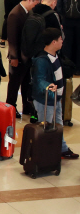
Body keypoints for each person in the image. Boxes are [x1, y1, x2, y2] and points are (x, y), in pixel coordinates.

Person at [32, 28, 78, 159]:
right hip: (46, 100)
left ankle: (62, 149)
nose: (62, 41)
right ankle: (43, 155)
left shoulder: (56, 55)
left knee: (58, 125)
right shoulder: (42, 60)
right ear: (53, 42)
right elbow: (39, 79)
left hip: (56, 99)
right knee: (45, 127)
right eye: (60, 39)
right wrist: (48, 86)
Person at [57, 0, 80, 75]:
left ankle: (67, 67)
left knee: (67, 43)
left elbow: (59, 3)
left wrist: (62, 16)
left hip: (67, 19)